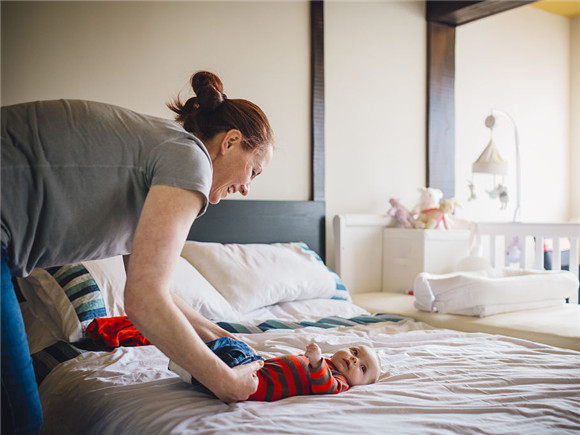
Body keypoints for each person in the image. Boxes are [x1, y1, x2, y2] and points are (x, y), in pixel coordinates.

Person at [1, 71, 273, 433]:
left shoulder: (161, 155)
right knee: (20, 420)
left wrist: (223, 338)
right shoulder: (191, 159)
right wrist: (226, 383)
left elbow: (155, 288)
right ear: (231, 141)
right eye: (253, 170)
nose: (247, 188)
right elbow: (144, 301)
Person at [170, 338, 382, 402]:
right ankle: (188, 363)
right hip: (256, 368)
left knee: (232, 352)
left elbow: (323, 386)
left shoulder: (338, 381)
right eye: (355, 351)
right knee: (230, 344)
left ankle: (187, 364)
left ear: (361, 384)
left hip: (253, 382)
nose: (354, 359)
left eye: (362, 368)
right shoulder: (328, 362)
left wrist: (316, 362)